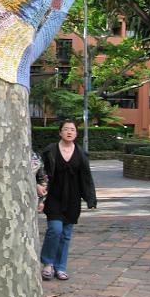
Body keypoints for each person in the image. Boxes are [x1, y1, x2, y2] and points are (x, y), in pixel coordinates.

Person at [39, 119, 97, 281]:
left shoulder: (81, 154)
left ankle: (60, 267)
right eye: (65, 129)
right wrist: (39, 186)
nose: (69, 132)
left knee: (65, 234)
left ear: (76, 134)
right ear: (60, 132)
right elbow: (40, 171)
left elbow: (86, 178)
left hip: (73, 198)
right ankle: (48, 263)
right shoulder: (50, 151)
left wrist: (90, 199)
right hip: (54, 197)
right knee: (55, 230)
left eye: (72, 129)